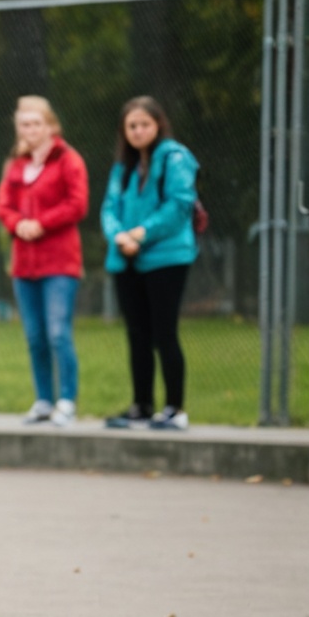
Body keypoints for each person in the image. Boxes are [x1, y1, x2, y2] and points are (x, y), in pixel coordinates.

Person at [100, 96, 198, 431]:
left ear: (158, 125)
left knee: (163, 332)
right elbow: (109, 208)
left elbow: (179, 205)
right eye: (131, 126)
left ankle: (174, 408)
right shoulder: (122, 167)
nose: (138, 131)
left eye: (144, 124)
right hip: (125, 258)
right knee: (137, 334)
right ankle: (141, 405)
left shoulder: (176, 158)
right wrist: (119, 237)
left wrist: (140, 234)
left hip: (165, 257)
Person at [0, 95, 88, 427]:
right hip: (24, 265)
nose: (30, 130)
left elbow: (77, 204)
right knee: (34, 336)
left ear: (50, 125)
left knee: (58, 332)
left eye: (36, 123)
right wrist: (17, 223)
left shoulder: (68, 160)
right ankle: (43, 400)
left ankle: (67, 401)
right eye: (24, 124)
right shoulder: (16, 166)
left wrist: (41, 223)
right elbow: (2, 206)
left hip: (60, 262)